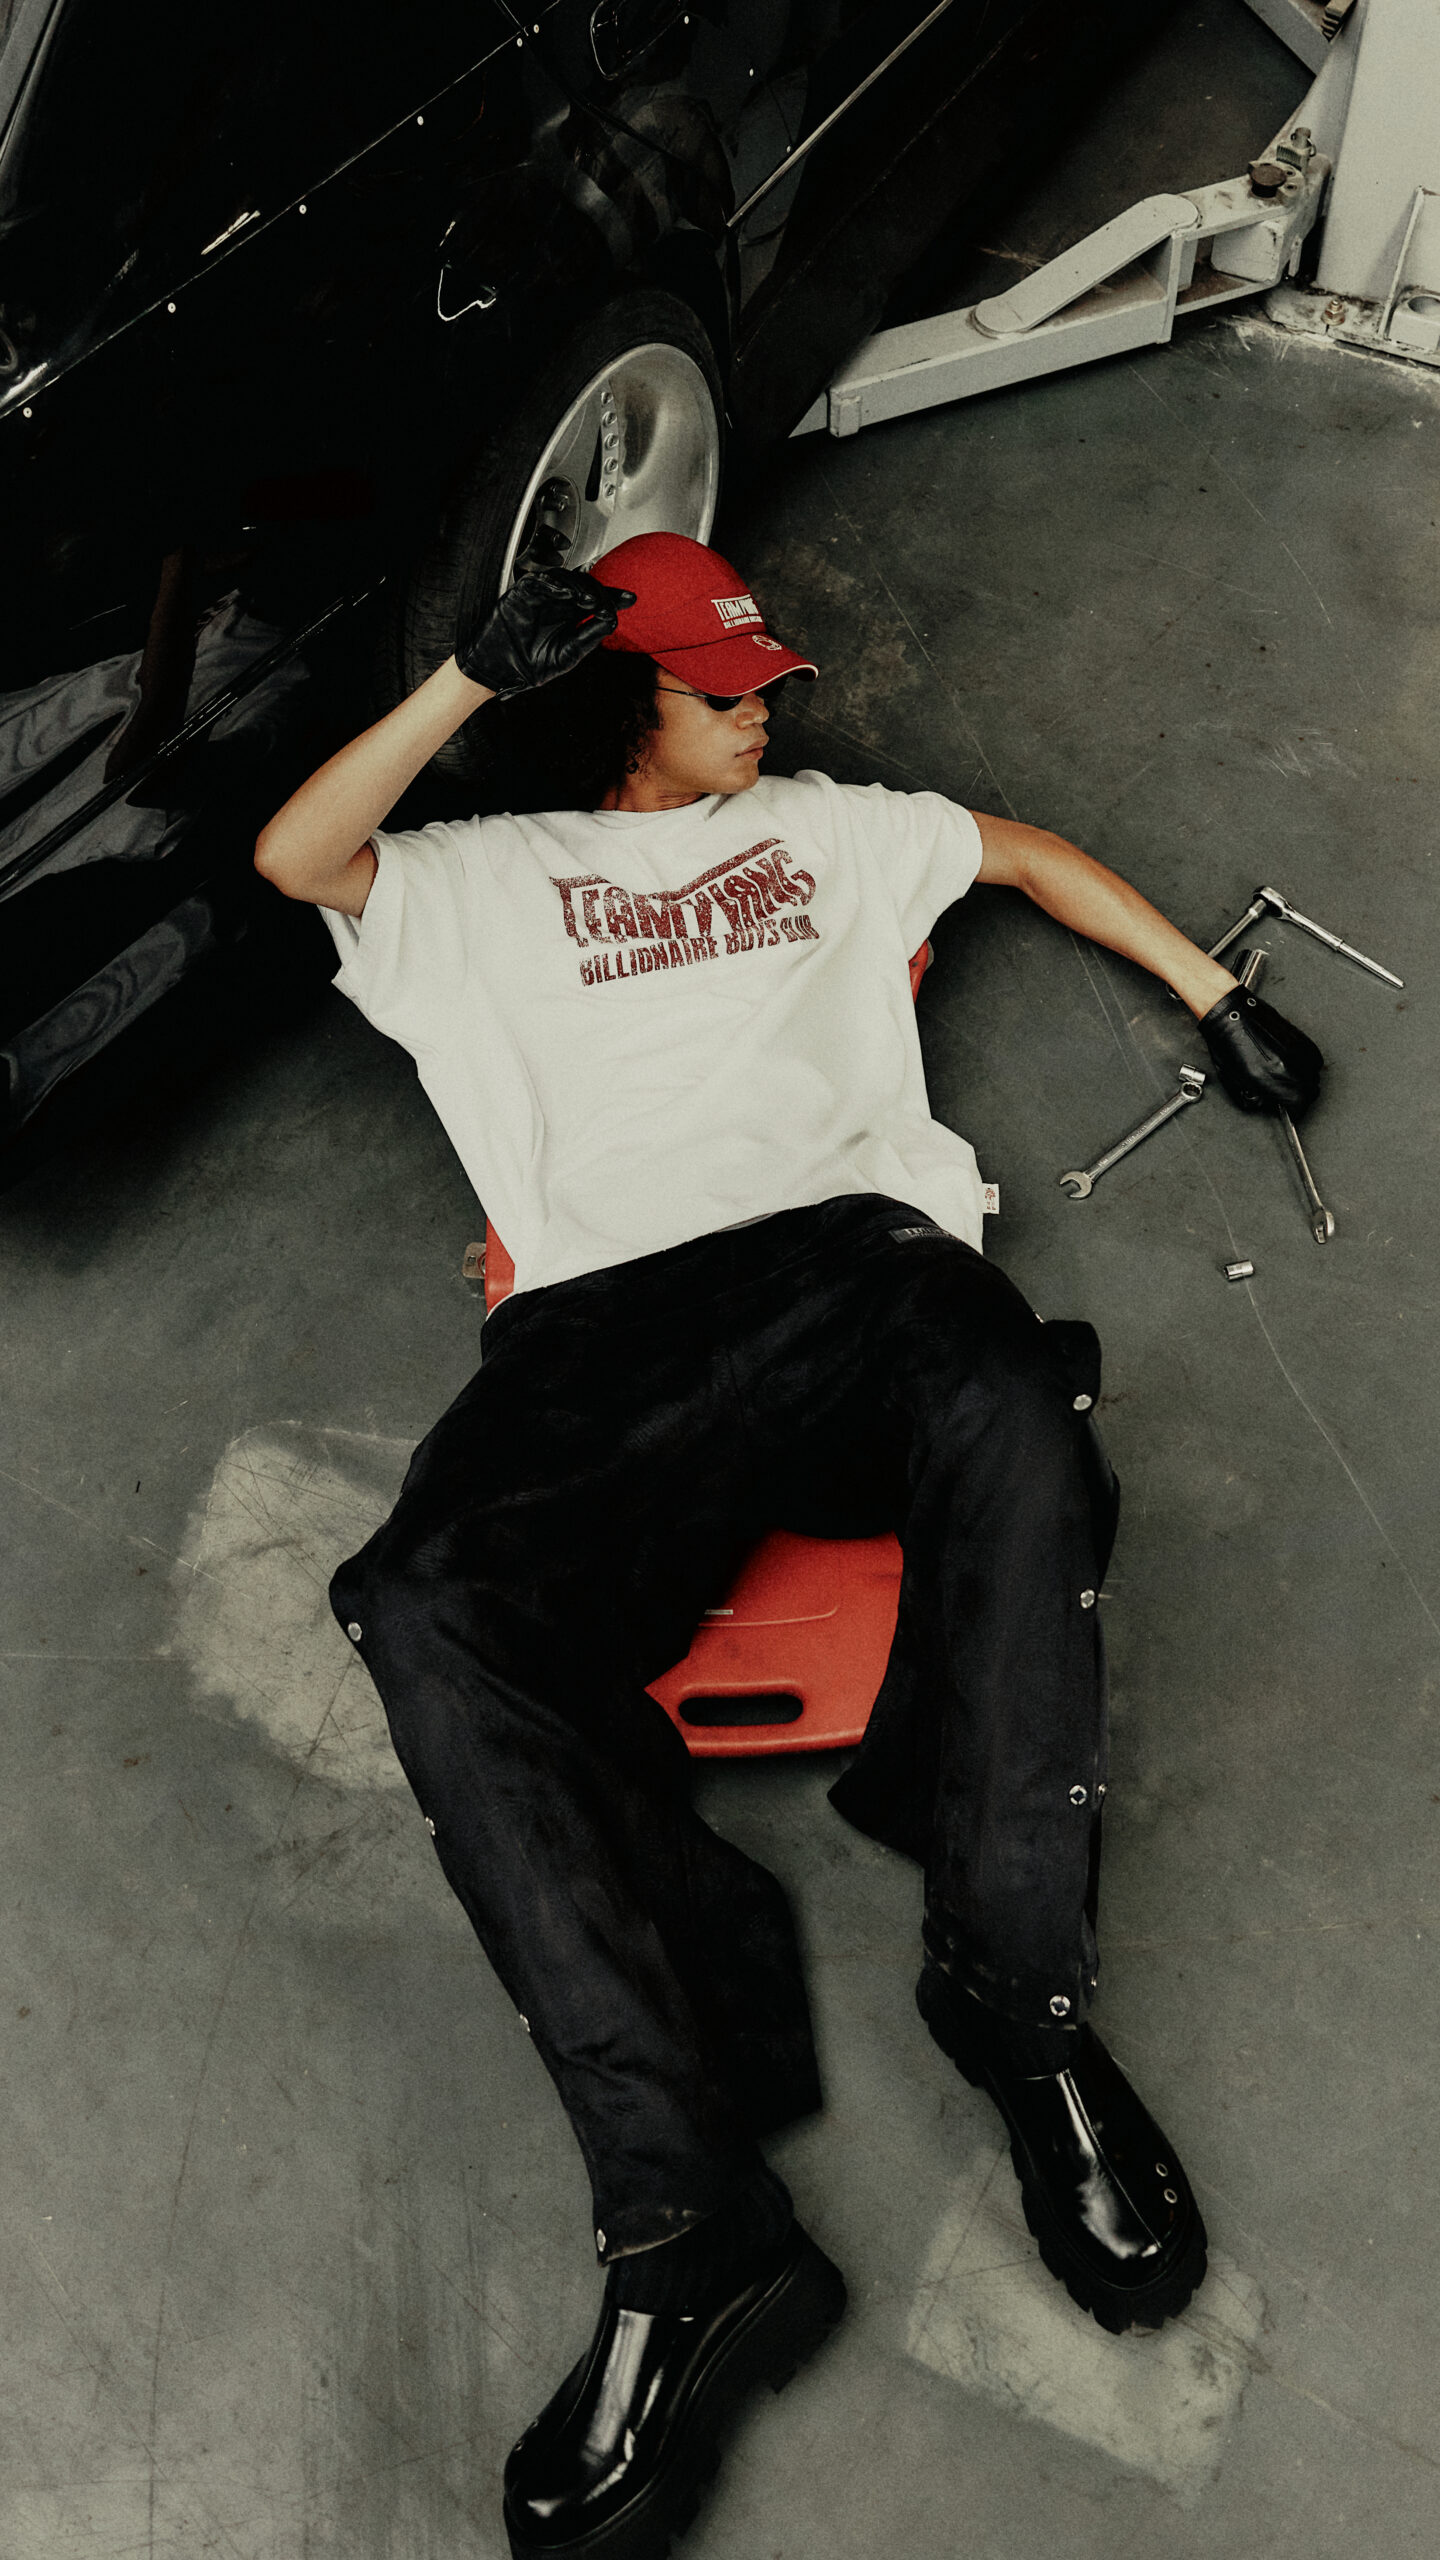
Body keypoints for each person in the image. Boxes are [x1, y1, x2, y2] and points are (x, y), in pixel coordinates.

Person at [254, 533, 1321, 2560]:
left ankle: (1012, 1999)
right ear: (617, 705)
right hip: (603, 1332)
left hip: (852, 1275)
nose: (768, 711)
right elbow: (298, 855)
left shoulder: (828, 830)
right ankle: (690, 2221)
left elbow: (1021, 854)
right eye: (723, 689)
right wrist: (468, 680)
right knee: (419, 1604)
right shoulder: (485, 882)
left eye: (766, 684)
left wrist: (1217, 996)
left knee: (1021, 1411)